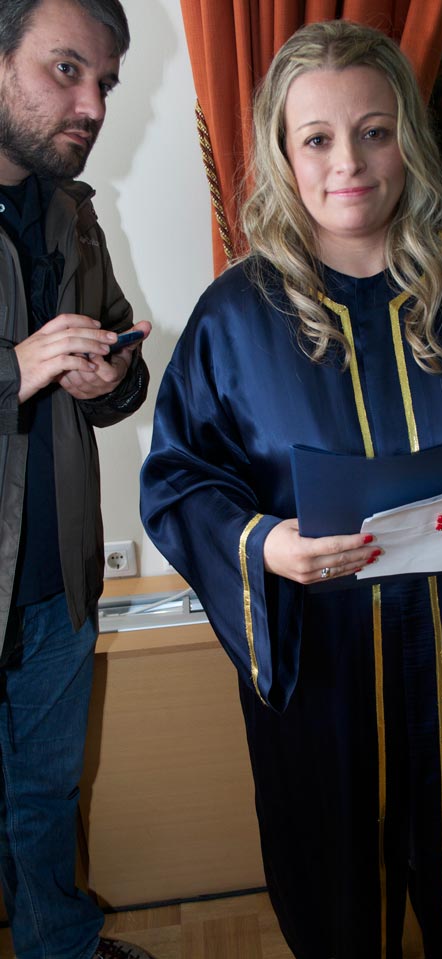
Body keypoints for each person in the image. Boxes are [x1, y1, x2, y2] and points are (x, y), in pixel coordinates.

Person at [141, 20, 442, 959]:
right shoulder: (235, 318)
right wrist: (263, 543)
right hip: (322, 666)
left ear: (406, 139)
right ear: (283, 153)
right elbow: (178, 480)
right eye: (317, 138)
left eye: (373, 131)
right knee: (334, 895)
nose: (348, 162)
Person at [0, 1, 155, 957]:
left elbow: (116, 360)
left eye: (105, 82)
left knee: (46, 797)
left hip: (56, 584)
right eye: (67, 70)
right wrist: (13, 370)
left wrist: (112, 378)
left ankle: (61, 946)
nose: (92, 104)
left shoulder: (74, 211)